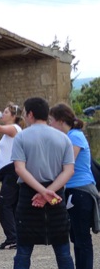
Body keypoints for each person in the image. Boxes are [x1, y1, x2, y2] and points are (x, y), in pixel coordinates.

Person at [12, 97, 75, 269]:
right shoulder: (64, 138)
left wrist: (42, 192)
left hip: (29, 195)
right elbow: (69, 170)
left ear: (30, 114)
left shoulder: (21, 137)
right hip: (56, 196)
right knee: (63, 252)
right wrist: (49, 192)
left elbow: (20, 169)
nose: (24, 116)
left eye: (25, 113)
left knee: (23, 252)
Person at [49, 103, 100, 269]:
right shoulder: (69, 136)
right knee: (77, 238)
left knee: (82, 239)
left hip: (81, 191)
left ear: (61, 121)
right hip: (73, 191)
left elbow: (66, 164)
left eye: (51, 121)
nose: (50, 125)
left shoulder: (75, 137)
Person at [0, 102, 24, 250]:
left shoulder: (14, 128)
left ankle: (12, 238)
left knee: (4, 205)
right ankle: (16, 236)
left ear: (14, 116)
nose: (2, 114)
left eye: (6, 112)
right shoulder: (12, 130)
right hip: (9, 172)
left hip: (12, 171)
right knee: (12, 205)